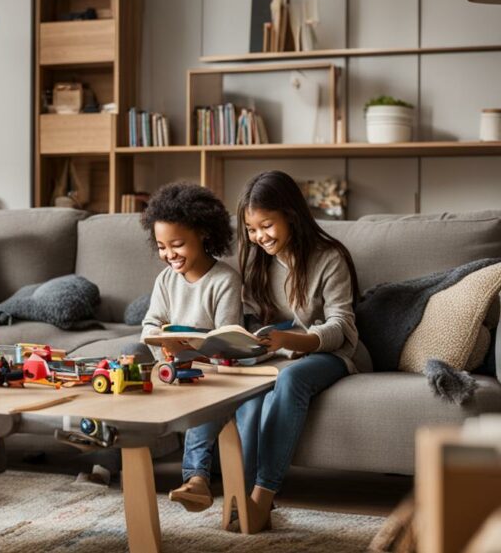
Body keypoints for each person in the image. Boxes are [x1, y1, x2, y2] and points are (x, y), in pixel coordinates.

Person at [233, 170, 362, 530]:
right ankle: (239, 497)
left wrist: (290, 341)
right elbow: (252, 320)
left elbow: (342, 326)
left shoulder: (330, 257)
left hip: (332, 353)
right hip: (277, 352)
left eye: (267, 225)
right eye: (251, 229)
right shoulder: (258, 260)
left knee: (291, 382)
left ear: (291, 214)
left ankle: (262, 497)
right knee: (250, 396)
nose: (259, 237)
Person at [131, 183, 242, 513]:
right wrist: (162, 347)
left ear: (204, 234)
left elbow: (227, 337)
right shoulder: (166, 279)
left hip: (210, 371)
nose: (169, 255)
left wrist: (198, 350)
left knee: (205, 401)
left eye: (177, 244)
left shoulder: (224, 280)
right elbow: (151, 324)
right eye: (162, 247)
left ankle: (196, 480)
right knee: (127, 357)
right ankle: (109, 460)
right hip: (170, 363)